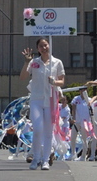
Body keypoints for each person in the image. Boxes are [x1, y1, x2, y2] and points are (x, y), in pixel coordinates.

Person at [19, 37, 64, 171]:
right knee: (38, 129)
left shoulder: (57, 62)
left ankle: (45, 160)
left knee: (48, 132)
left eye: (45, 45)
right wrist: (26, 62)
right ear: (38, 49)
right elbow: (22, 77)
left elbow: (62, 81)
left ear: (49, 46)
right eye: (41, 46)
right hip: (36, 99)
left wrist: (54, 82)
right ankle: (36, 158)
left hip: (50, 99)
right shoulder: (34, 62)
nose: (44, 48)